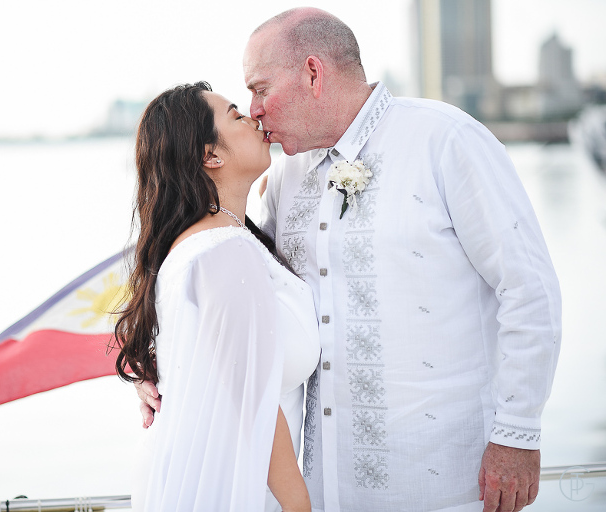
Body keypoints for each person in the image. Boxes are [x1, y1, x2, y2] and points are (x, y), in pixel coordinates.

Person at [137, 8, 562, 512]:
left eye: (260, 89)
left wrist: (517, 434)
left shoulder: (445, 140)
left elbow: (529, 288)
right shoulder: (286, 176)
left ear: (313, 74)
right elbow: (227, 288)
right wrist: (159, 362)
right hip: (323, 489)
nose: (255, 110)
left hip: (446, 485)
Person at [113, 81, 320, 512]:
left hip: (206, 470)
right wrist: (299, 505)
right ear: (211, 156)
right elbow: (254, 398)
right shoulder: (225, 249)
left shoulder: (211, 241)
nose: (254, 117)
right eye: (236, 115)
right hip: (222, 484)